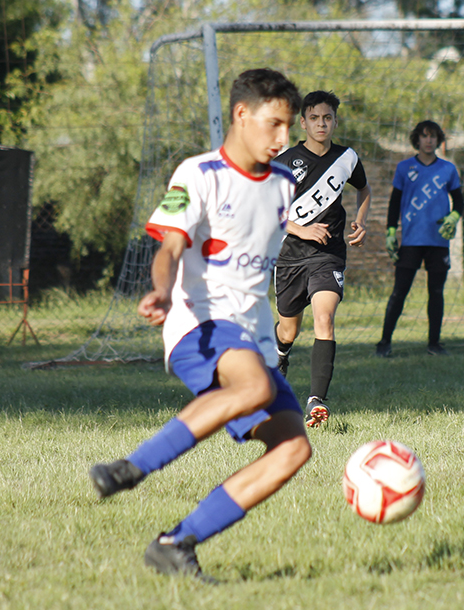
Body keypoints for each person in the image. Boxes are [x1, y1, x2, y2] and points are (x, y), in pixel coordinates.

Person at [88, 68, 311, 579]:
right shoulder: (198, 173)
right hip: (200, 323)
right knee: (253, 387)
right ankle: (131, 467)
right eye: (274, 124)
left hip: (250, 337)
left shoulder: (283, 184)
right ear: (241, 114)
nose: (283, 138)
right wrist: (163, 292)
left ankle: (177, 543)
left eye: (288, 127)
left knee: (294, 447)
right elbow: (169, 247)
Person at [273, 91, 371, 427]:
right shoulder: (285, 161)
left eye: (327, 118)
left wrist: (361, 220)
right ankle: (280, 354)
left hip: (328, 255)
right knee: (289, 329)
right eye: (314, 118)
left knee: (325, 319)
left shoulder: (347, 158)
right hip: (290, 257)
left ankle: (316, 401)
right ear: (303, 122)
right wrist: (301, 229)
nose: (321, 124)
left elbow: (364, 189)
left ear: (335, 121)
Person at [374, 120, 464, 358]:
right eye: (424, 136)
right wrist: (391, 231)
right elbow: (394, 202)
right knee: (399, 291)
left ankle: (434, 344)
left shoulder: (448, 169)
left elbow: (460, 201)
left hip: (438, 242)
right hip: (411, 241)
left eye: (433, 136)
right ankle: (384, 343)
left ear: (438, 140)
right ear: (417, 139)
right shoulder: (404, 168)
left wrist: (453, 218)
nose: (428, 140)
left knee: (436, 292)